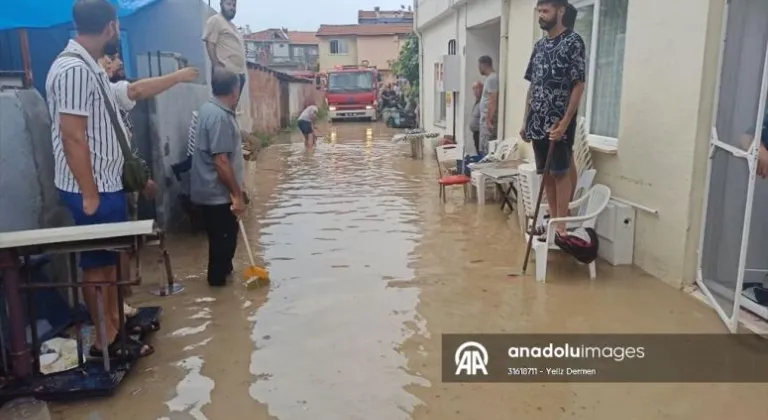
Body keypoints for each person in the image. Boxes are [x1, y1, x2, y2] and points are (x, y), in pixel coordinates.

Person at [47, 0, 196, 359]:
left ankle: (115, 324)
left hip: (107, 183)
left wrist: (176, 77)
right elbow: (73, 136)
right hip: (93, 188)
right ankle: (105, 340)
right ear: (111, 27)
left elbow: (133, 91)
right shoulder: (73, 70)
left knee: (111, 263)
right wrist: (89, 195)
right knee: (97, 266)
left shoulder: (91, 68)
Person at [98, 53, 197, 319]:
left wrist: (141, 179)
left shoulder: (113, 99)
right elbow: (138, 90)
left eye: (120, 58)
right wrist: (178, 77)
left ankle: (123, 298)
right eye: (112, 59)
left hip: (120, 182)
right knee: (112, 249)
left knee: (121, 244)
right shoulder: (103, 93)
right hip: (106, 186)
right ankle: (116, 307)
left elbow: (127, 147)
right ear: (101, 64)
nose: (119, 63)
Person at [520, 0, 586, 239]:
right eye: (539, 11)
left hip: (557, 122)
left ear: (561, 11)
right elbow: (532, 86)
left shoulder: (573, 42)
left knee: (560, 173)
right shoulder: (539, 46)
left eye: (545, 11)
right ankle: (550, 220)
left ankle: (560, 227)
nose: (541, 15)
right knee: (546, 174)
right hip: (537, 121)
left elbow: (578, 85)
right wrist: (525, 120)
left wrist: (566, 123)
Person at [190, 68, 246, 287]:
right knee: (223, 245)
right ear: (235, 90)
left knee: (223, 243)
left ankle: (224, 299)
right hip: (217, 193)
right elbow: (221, 162)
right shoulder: (219, 117)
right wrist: (237, 195)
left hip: (212, 191)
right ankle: (219, 292)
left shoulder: (209, 108)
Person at [203, 0, 246, 100]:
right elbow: (210, 43)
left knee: (231, 108)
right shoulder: (216, 20)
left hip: (239, 74)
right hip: (226, 73)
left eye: (234, 5)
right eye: (228, 4)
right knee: (223, 105)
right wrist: (216, 66)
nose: (232, 7)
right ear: (221, 4)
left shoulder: (233, 27)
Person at [478, 55, 499, 155]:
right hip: (484, 119)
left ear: (483, 65)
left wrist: (489, 119)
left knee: (486, 147)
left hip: (487, 120)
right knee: (483, 145)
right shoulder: (489, 79)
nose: (479, 68)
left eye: (479, 65)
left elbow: (493, 99)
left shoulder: (492, 79)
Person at [469, 81, 484, 155]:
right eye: (473, 89)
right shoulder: (477, 102)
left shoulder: (483, 102)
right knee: (478, 153)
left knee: (481, 153)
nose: (475, 91)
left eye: (477, 88)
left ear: (482, 89)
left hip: (481, 134)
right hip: (476, 134)